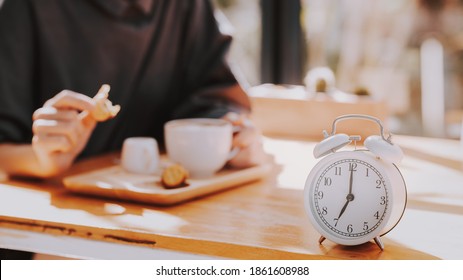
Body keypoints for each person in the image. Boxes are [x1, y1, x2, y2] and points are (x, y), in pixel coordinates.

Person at [0, 0, 265, 179]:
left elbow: (217, 96)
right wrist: (42, 160)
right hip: (58, 218)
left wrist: (233, 136)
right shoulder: (30, 7)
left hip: (167, 208)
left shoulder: (185, 6)